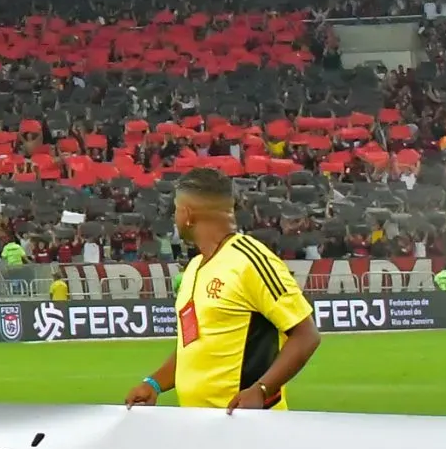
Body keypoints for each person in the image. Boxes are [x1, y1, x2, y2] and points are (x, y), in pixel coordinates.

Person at [126, 167, 320, 413]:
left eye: (176, 209)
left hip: (247, 428)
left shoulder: (250, 259)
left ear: (187, 214)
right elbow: (193, 346)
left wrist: (262, 389)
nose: (175, 217)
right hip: (201, 425)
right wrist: (153, 384)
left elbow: (306, 335)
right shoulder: (195, 267)